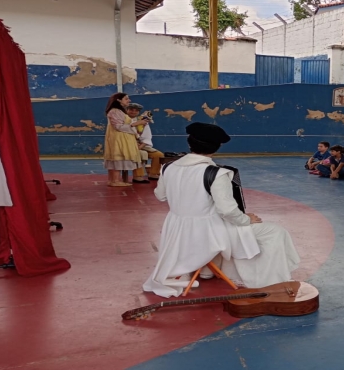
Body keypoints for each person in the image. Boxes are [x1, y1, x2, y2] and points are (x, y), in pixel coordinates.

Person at [143, 122, 300, 298]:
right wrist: (246, 219)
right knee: (274, 231)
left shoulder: (168, 167)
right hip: (208, 234)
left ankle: (206, 269)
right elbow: (227, 211)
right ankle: (272, 280)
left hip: (176, 232)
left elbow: (160, 196)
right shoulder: (216, 173)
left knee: (233, 228)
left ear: (189, 143)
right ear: (216, 148)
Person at [103, 93, 145, 187]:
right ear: (119, 100)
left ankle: (113, 180)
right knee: (118, 157)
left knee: (117, 157)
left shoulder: (119, 111)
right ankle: (115, 180)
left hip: (122, 137)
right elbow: (118, 126)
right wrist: (136, 124)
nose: (129, 100)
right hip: (119, 138)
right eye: (126, 99)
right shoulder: (114, 111)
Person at [127, 103, 164, 183]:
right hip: (128, 144)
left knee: (158, 155)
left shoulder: (143, 122)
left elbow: (147, 137)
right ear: (127, 110)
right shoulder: (124, 120)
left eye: (136, 110)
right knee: (140, 154)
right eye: (131, 110)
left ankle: (153, 173)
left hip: (141, 144)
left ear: (138, 112)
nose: (133, 112)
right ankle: (138, 176)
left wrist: (141, 145)